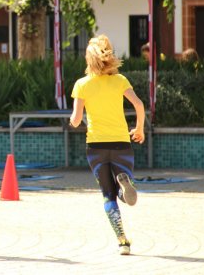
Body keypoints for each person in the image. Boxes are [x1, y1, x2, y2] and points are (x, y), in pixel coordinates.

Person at [69, 34, 145, 256]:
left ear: (89, 59)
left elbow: (75, 119)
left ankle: (123, 242)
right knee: (125, 185)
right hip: (121, 143)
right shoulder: (120, 80)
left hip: (96, 146)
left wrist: (73, 122)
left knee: (107, 195)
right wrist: (139, 129)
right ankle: (125, 181)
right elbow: (139, 105)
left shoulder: (82, 85)